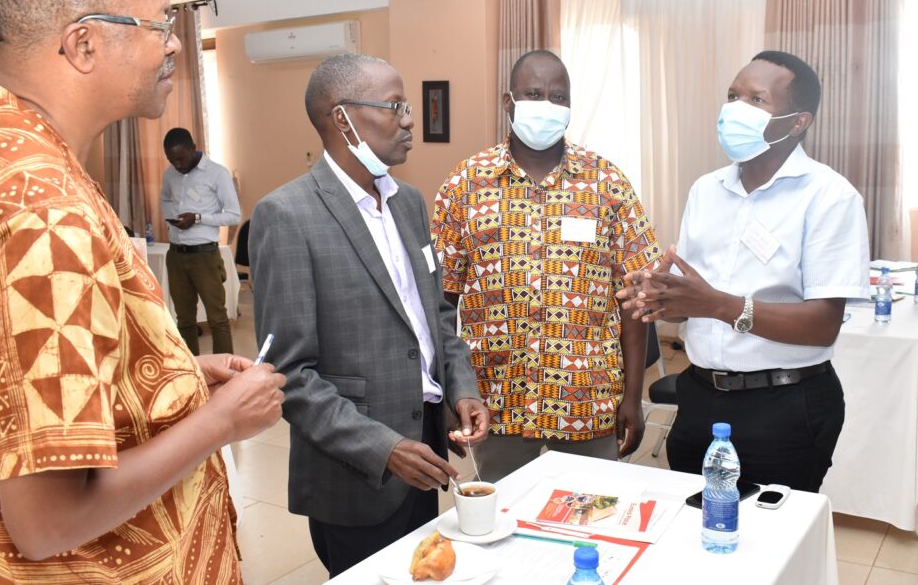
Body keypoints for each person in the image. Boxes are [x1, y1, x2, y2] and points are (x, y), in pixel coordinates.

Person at [0, 0, 285, 583]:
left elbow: (20, 378)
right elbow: (49, 520)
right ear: (82, 44)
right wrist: (219, 423)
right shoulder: (45, 213)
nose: (173, 47)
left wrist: (175, 384)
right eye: (157, 26)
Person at [249, 53, 489, 578]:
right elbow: (289, 375)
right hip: (356, 471)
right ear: (342, 118)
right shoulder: (287, 216)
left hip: (423, 447)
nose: (409, 120)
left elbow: (435, 318)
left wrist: (462, 388)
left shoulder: (409, 203)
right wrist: (384, 449)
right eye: (395, 106)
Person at [618, 50, 870, 492]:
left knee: (772, 545)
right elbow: (686, 305)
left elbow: (822, 325)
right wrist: (659, 296)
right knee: (698, 532)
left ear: (798, 121)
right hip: (700, 400)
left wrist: (718, 305)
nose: (735, 108)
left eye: (756, 99)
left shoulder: (830, 197)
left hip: (785, 405)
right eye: (732, 95)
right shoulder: (706, 190)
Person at [431, 49, 662, 482]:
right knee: (502, 526)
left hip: (586, 399)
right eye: (534, 94)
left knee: (587, 523)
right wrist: (446, 394)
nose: (547, 105)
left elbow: (636, 295)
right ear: (508, 101)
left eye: (559, 97)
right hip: (494, 400)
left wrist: (633, 395)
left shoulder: (607, 183)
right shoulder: (465, 183)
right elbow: (440, 301)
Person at [160, 127, 241, 355]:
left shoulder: (217, 173)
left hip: (204, 256)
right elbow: (165, 197)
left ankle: (225, 374)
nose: (177, 164)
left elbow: (234, 215)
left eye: (181, 158)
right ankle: (193, 375)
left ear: (193, 149)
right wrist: (170, 220)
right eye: (171, 159)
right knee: (184, 320)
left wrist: (197, 218)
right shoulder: (170, 174)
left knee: (217, 319)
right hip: (176, 255)